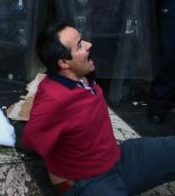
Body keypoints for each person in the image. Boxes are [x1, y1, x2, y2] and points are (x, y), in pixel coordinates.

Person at [22, 21, 175, 195]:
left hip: (119, 158)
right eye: (80, 45)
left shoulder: (83, 72)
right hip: (91, 181)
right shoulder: (53, 99)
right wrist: (65, 183)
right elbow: (32, 139)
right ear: (64, 62)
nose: (89, 45)